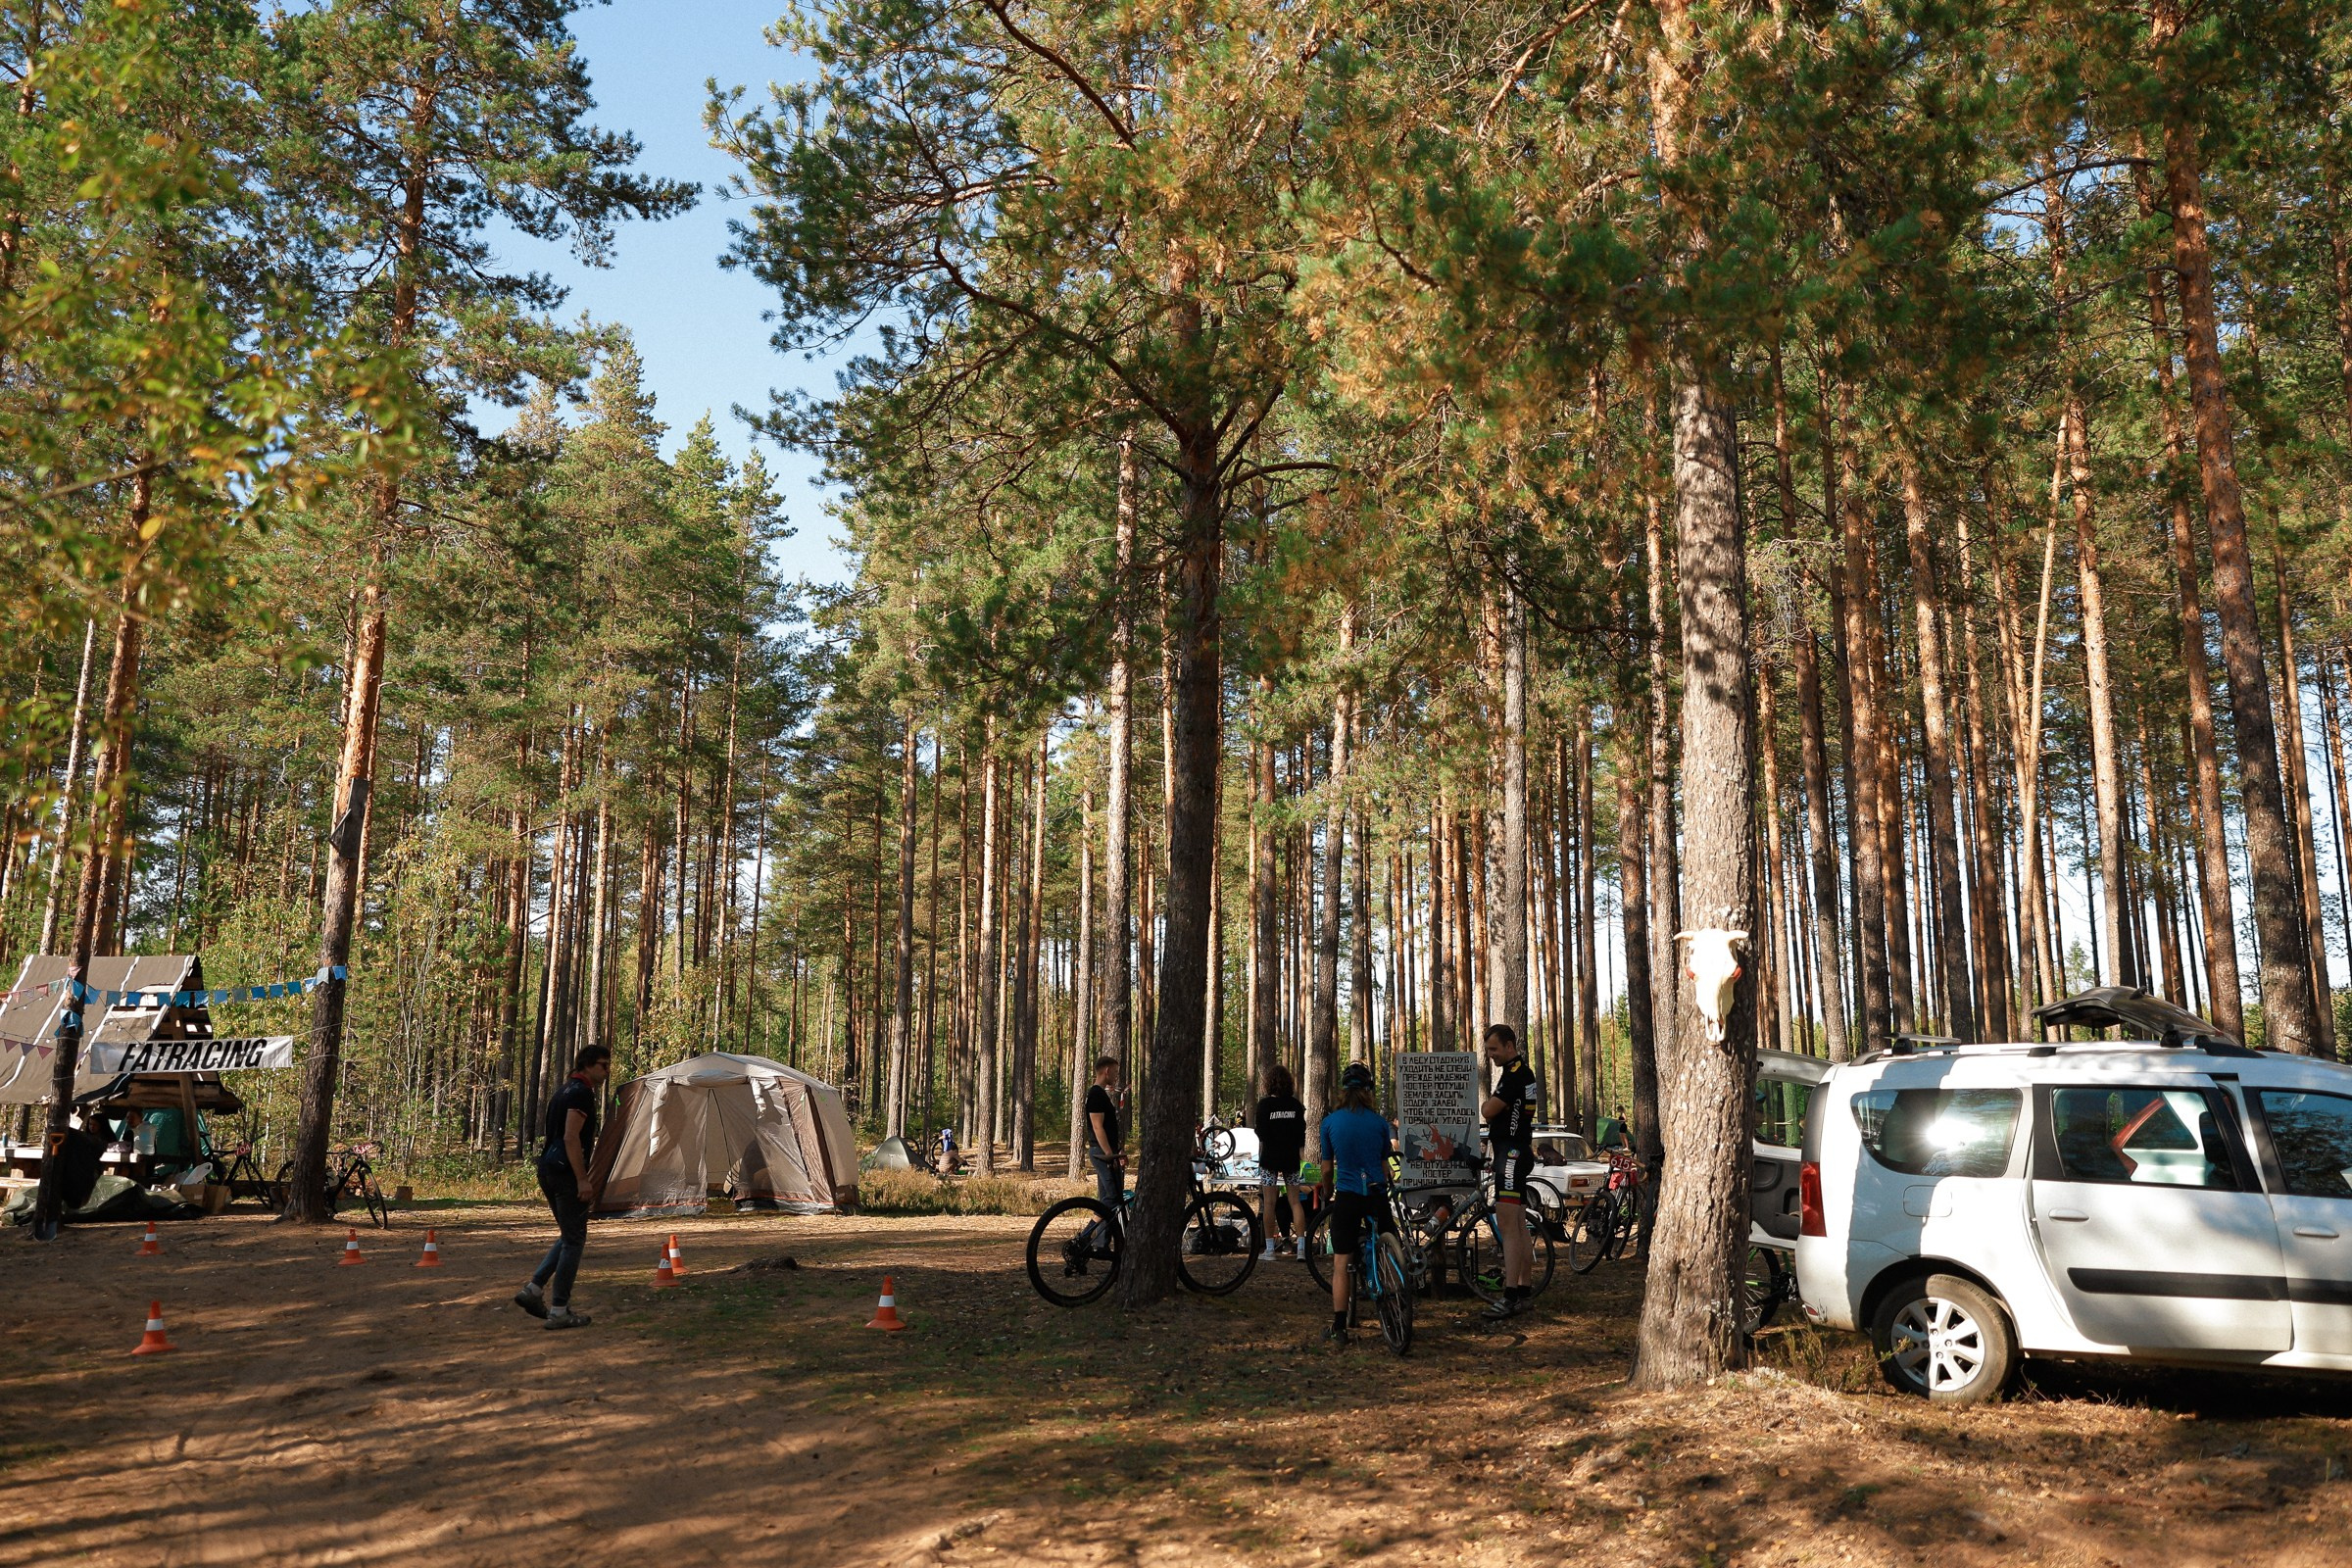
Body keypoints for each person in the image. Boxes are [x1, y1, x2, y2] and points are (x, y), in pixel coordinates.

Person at [516, 1045, 611, 1330]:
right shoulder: (580, 1093)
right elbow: (571, 1138)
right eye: (603, 1065)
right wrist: (583, 1179)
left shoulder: (565, 1090)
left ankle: (533, 1290)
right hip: (564, 1172)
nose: (607, 1071)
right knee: (574, 1241)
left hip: (548, 1168)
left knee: (569, 1235)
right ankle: (559, 1309)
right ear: (587, 1065)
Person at [1315, 1061, 1396, 1345]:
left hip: (1347, 1194)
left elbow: (1326, 1170)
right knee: (1390, 1247)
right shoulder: (1379, 1123)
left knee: (1341, 1262)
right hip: (1375, 1192)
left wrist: (1327, 1192)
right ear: (1368, 1091)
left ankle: (1339, 1327)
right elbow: (1384, 1161)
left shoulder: (1330, 1122)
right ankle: (1396, 1300)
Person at [1482, 1022, 1540, 1319]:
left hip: (1511, 1154)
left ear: (1509, 1045)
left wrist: (1491, 1106)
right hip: (1515, 1151)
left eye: (1494, 1049)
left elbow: (1488, 1110)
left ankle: (1510, 1295)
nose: (1491, 1055)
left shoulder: (1516, 1074)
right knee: (1517, 1226)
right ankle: (1524, 1290)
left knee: (1507, 1227)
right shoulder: (1520, 1074)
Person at [1252, 1063, 1308, 1260]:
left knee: (1269, 1202)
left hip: (1270, 1160)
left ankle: (1269, 1250)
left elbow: (1260, 1132)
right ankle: (1301, 1248)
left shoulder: (1264, 1105)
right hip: (1291, 1158)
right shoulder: (1295, 1105)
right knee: (1295, 1202)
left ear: (1269, 1083)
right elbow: (1302, 1131)